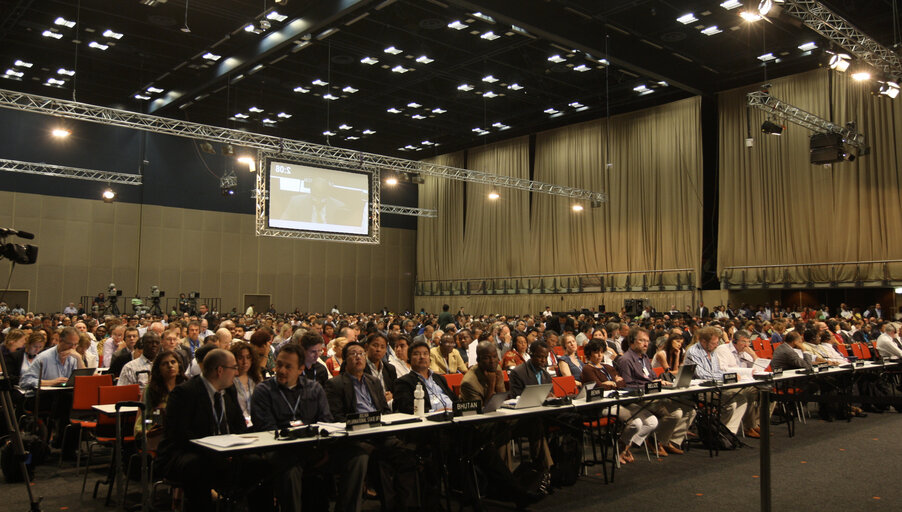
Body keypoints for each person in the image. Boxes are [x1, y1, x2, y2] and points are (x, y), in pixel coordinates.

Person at [251, 343, 365, 512]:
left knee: (358, 456)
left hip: (315, 449)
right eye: (279, 365)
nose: (281, 370)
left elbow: (326, 421)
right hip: (283, 451)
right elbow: (266, 429)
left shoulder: (313, 389)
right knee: (288, 467)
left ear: (300, 369)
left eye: (288, 367)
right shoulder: (263, 391)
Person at [157, 349, 273, 512]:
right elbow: (181, 435)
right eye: (234, 367)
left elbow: (239, 427)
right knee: (196, 466)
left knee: (261, 465)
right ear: (220, 370)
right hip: (190, 452)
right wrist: (215, 452)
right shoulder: (185, 393)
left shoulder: (229, 391)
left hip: (226, 452)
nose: (237, 371)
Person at [324, 341, 415, 512]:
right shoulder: (335, 384)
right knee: (375, 458)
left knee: (407, 454)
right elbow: (335, 418)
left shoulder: (373, 381)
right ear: (345, 360)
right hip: (356, 438)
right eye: (353, 354)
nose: (358, 357)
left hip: (380, 433)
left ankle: (408, 504)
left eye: (361, 353)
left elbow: (384, 411)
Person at [616, 327, 693, 456]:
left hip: (653, 395)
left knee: (689, 408)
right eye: (641, 340)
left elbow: (652, 377)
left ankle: (666, 441)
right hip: (640, 399)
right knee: (676, 413)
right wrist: (650, 385)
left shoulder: (645, 357)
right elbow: (627, 387)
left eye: (647, 341)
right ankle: (655, 440)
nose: (646, 344)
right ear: (632, 342)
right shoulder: (625, 360)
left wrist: (660, 382)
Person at [581, 340, 657, 464]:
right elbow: (598, 388)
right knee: (636, 423)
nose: (599, 355)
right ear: (589, 354)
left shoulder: (608, 367)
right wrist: (614, 383)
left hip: (621, 400)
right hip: (604, 405)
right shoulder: (587, 369)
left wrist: (612, 383)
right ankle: (620, 450)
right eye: (596, 352)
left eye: (601, 352)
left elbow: (623, 383)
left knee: (652, 421)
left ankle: (625, 447)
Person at [684, 327, 749, 436]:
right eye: (714, 343)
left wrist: (729, 376)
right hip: (699, 390)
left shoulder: (712, 351)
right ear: (703, 342)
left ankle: (727, 433)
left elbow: (716, 371)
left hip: (713, 387)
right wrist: (727, 376)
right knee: (730, 404)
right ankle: (717, 433)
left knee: (741, 399)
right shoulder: (693, 352)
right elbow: (703, 375)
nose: (716, 345)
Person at [136, 350, 186, 443]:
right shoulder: (151, 389)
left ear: (179, 366)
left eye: (173, 362)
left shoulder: (186, 388)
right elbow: (145, 418)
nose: (170, 365)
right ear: (158, 370)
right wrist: (147, 431)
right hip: (156, 433)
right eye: (165, 364)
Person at [394, 340, 455, 413]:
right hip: (430, 420)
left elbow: (455, 400)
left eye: (425, 354)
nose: (422, 357)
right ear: (409, 359)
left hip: (453, 416)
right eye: (416, 354)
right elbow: (407, 408)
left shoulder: (439, 378)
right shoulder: (403, 382)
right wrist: (435, 412)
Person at [231, 342, 261, 424]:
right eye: (240, 358)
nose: (245, 362)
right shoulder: (229, 381)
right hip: (238, 424)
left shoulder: (256, 379)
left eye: (248, 357)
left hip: (256, 423)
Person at [363, 332, 397, 405]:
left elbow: (396, 391)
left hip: (388, 408)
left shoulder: (390, 369)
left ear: (385, 350)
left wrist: (392, 395)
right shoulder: (360, 368)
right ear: (366, 347)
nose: (378, 349)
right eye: (375, 345)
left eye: (382, 347)